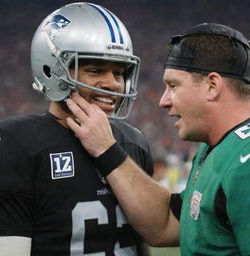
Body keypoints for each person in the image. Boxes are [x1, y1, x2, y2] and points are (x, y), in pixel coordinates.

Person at [66, 22, 250, 255]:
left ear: (212, 86)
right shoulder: (215, 146)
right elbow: (167, 225)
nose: (164, 101)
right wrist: (106, 149)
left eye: (173, 85)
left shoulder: (245, 162)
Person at [0, 2, 154, 256]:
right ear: (52, 70)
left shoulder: (133, 142)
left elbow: (141, 243)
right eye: (95, 70)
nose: (113, 84)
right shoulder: (15, 144)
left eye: (119, 72)